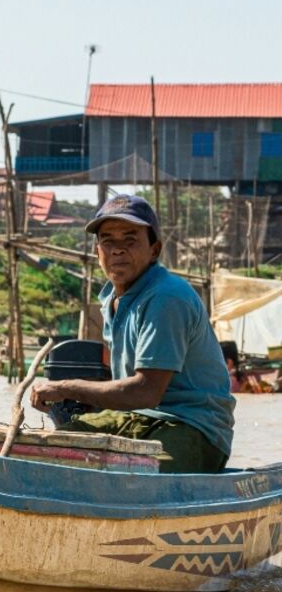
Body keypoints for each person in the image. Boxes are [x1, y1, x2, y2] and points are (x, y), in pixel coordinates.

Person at [30, 194, 235, 474]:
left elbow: (146, 391)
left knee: (138, 476)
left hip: (192, 427)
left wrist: (66, 387)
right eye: (108, 240)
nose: (117, 250)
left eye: (130, 239)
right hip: (136, 418)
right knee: (54, 450)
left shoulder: (166, 297)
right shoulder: (112, 299)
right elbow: (127, 390)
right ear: (97, 250)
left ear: (154, 250)